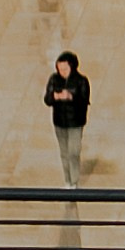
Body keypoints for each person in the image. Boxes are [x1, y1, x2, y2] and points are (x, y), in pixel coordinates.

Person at [43, 51, 90, 190]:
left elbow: (84, 100)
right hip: (59, 122)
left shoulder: (81, 81)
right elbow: (47, 99)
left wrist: (71, 97)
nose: (62, 72)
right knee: (64, 153)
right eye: (60, 69)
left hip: (75, 122)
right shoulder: (54, 79)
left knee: (73, 152)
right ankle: (67, 181)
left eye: (65, 69)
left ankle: (74, 181)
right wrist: (55, 97)